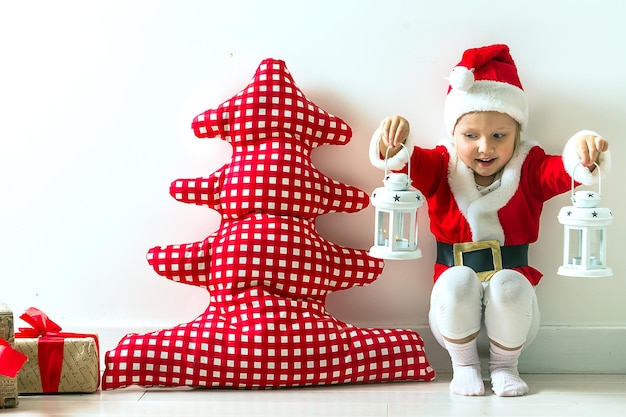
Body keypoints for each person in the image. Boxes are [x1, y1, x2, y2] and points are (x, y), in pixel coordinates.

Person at [369, 44, 611, 397]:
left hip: (517, 315)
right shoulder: (440, 166)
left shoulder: (529, 168)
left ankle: (504, 366)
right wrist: (394, 139)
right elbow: (403, 161)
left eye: (499, 136)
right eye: (471, 136)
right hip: (449, 312)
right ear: (454, 134)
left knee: (509, 285)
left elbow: (565, 170)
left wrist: (585, 154)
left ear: (517, 135)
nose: (486, 147)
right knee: (457, 280)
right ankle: (464, 365)